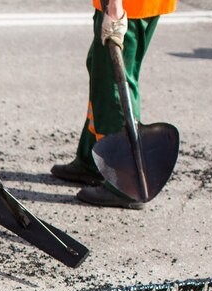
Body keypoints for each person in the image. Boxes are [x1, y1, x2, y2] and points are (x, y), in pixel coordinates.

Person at [50, 0, 176, 210]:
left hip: (127, 6)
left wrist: (115, 7)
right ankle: (92, 159)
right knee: (100, 68)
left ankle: (125, 183)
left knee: (113, 83)